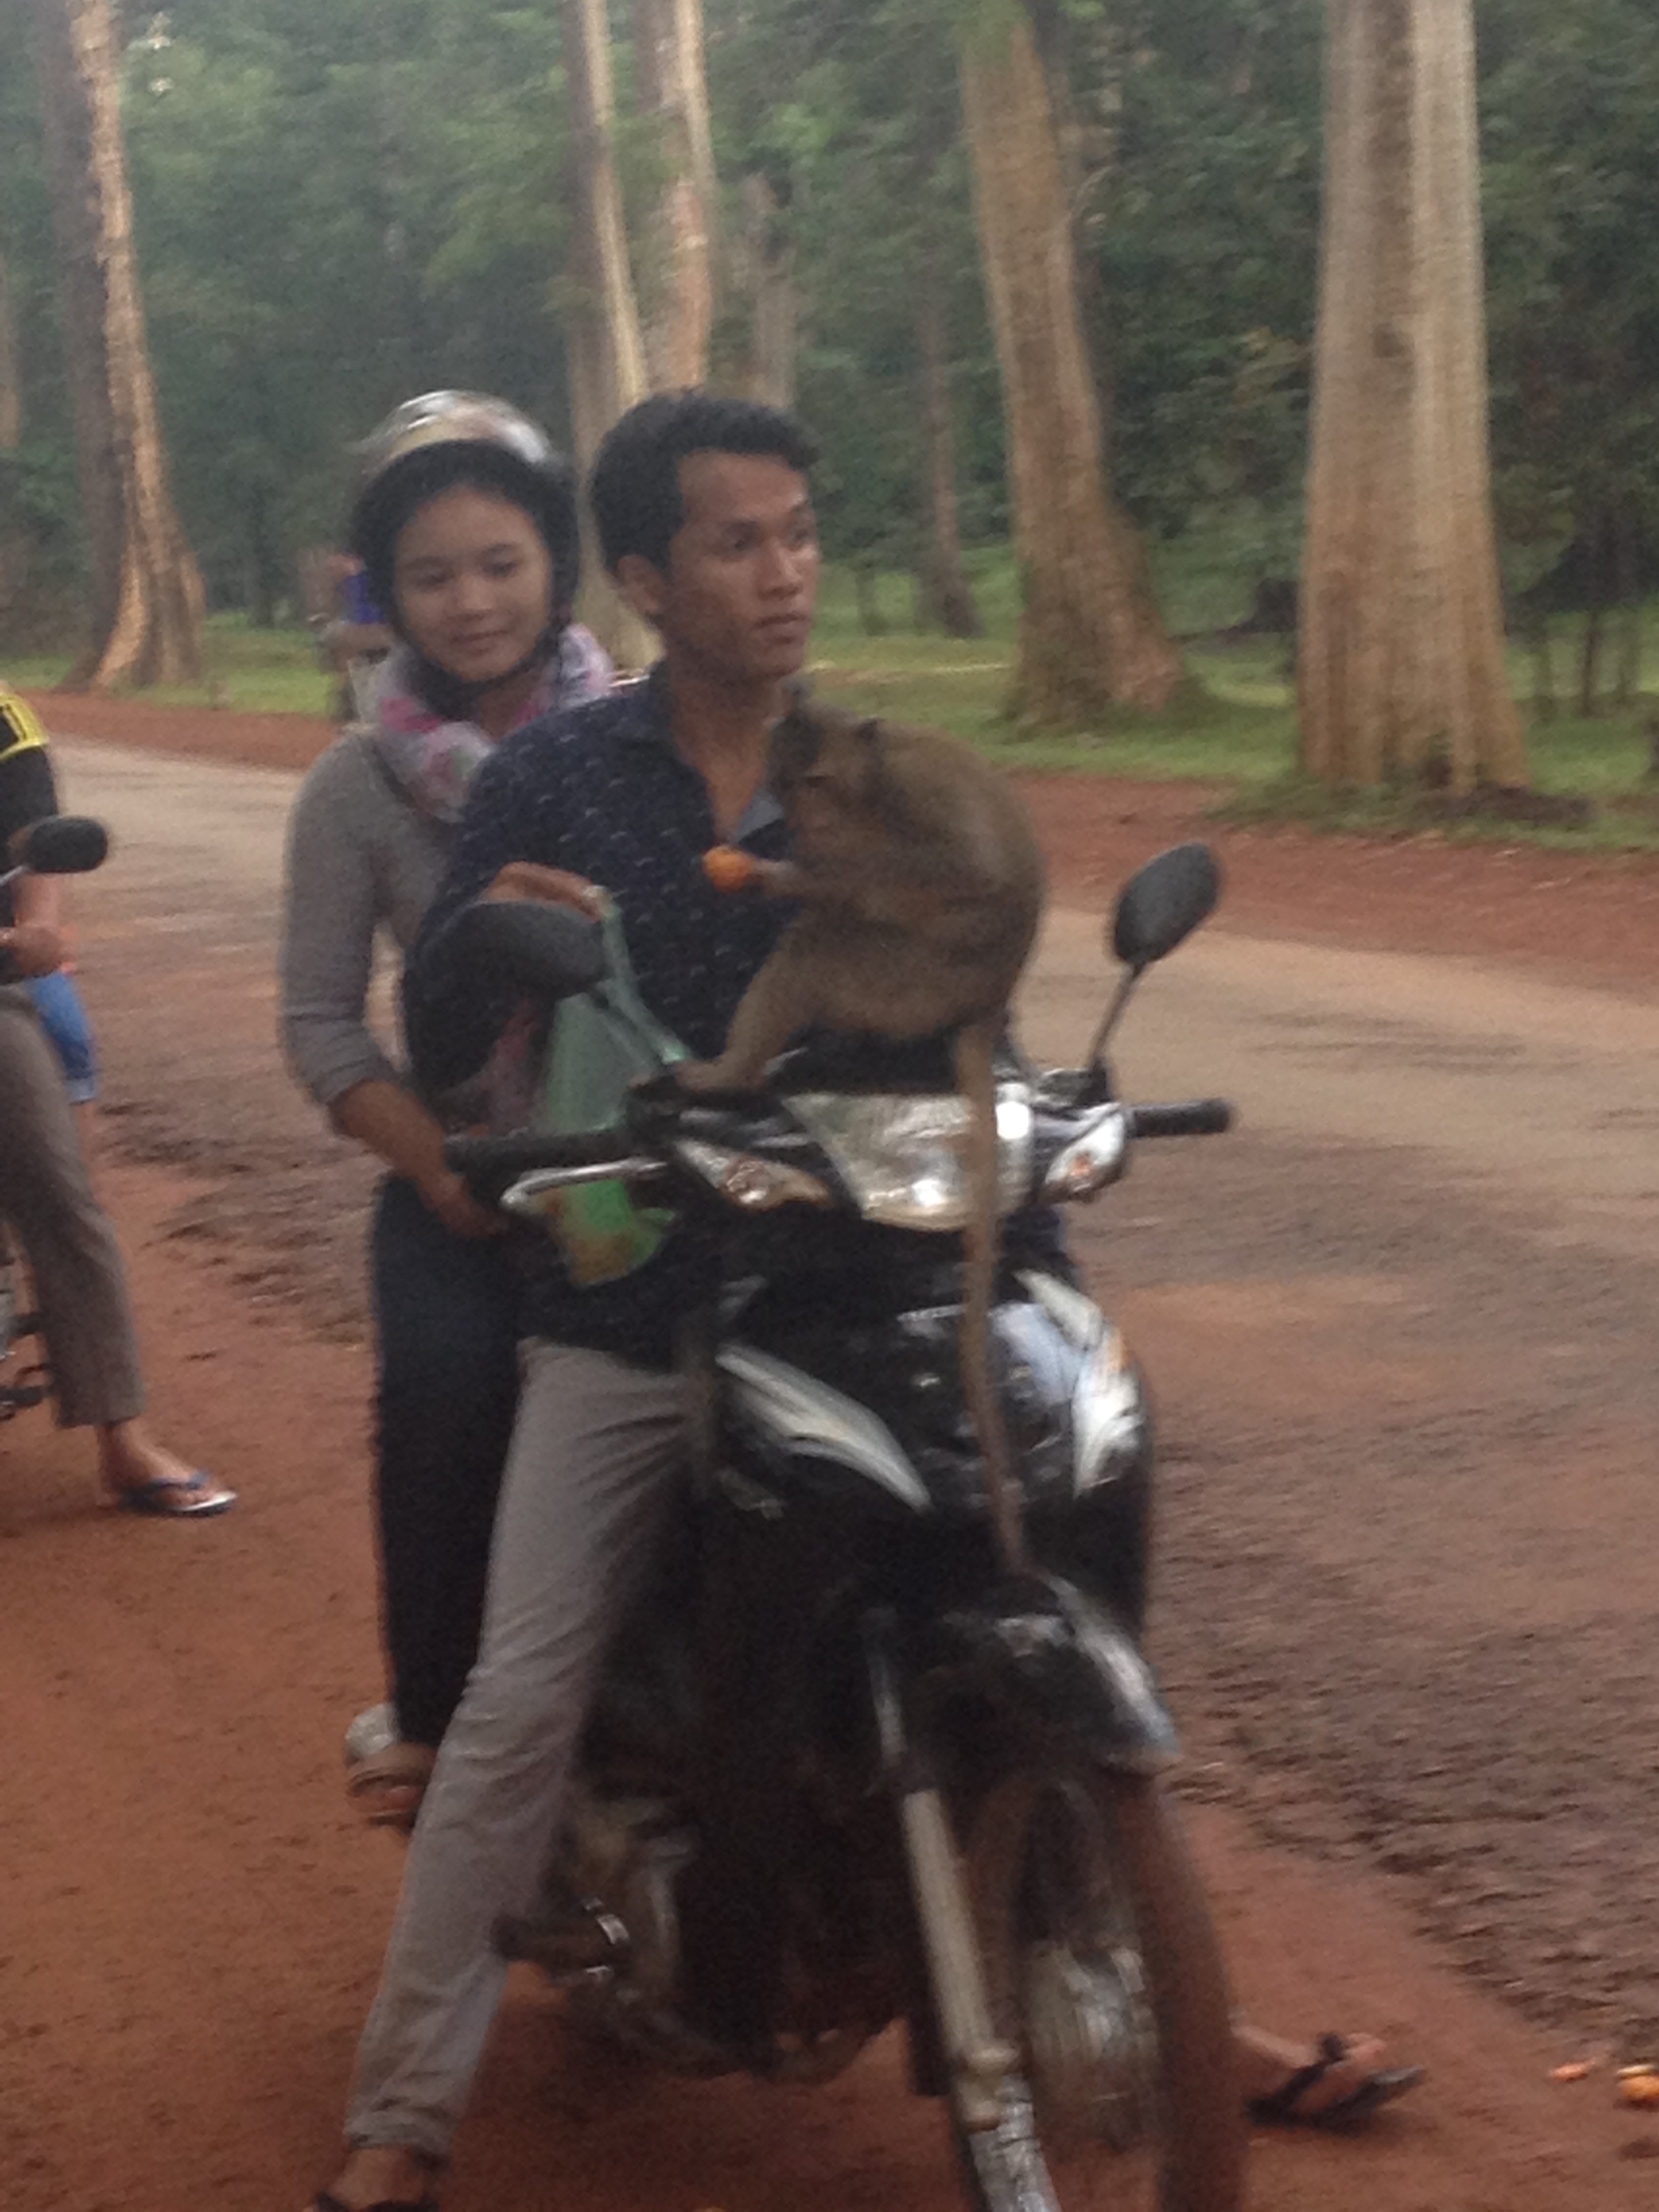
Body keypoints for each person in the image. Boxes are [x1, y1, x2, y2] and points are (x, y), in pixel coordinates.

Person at [308, 390, 1416, 2212]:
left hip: (886, 1272)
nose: (783, 574)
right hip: (647, 1293)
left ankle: (1148, 1974)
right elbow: (440, 1030)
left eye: (801, 534)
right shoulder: (556, 777)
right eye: (736, 542)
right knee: (519, 1693)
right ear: (647, 574)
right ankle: (403, 2112)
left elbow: (973, 996)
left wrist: (1049, 1133)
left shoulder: (893, 771)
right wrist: (489, 933)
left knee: (1069, 1526)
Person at [279, 392, 612, 1832]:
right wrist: (437, 1166)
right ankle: (430, 1712)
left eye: (500, 563)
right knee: (448, 1384)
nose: (471, 602)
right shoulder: (355, 786)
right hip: (473, 1168)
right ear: (389, 595)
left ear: (555, 564)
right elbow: (317, 1022)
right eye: (432, 576)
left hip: (658, 1159)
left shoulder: (646, 740)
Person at [0, 684, 232, 1516]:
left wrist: (36, 932)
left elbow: (37, 849)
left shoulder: (4, 719)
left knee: (64, 1199)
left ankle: (123, 1439)